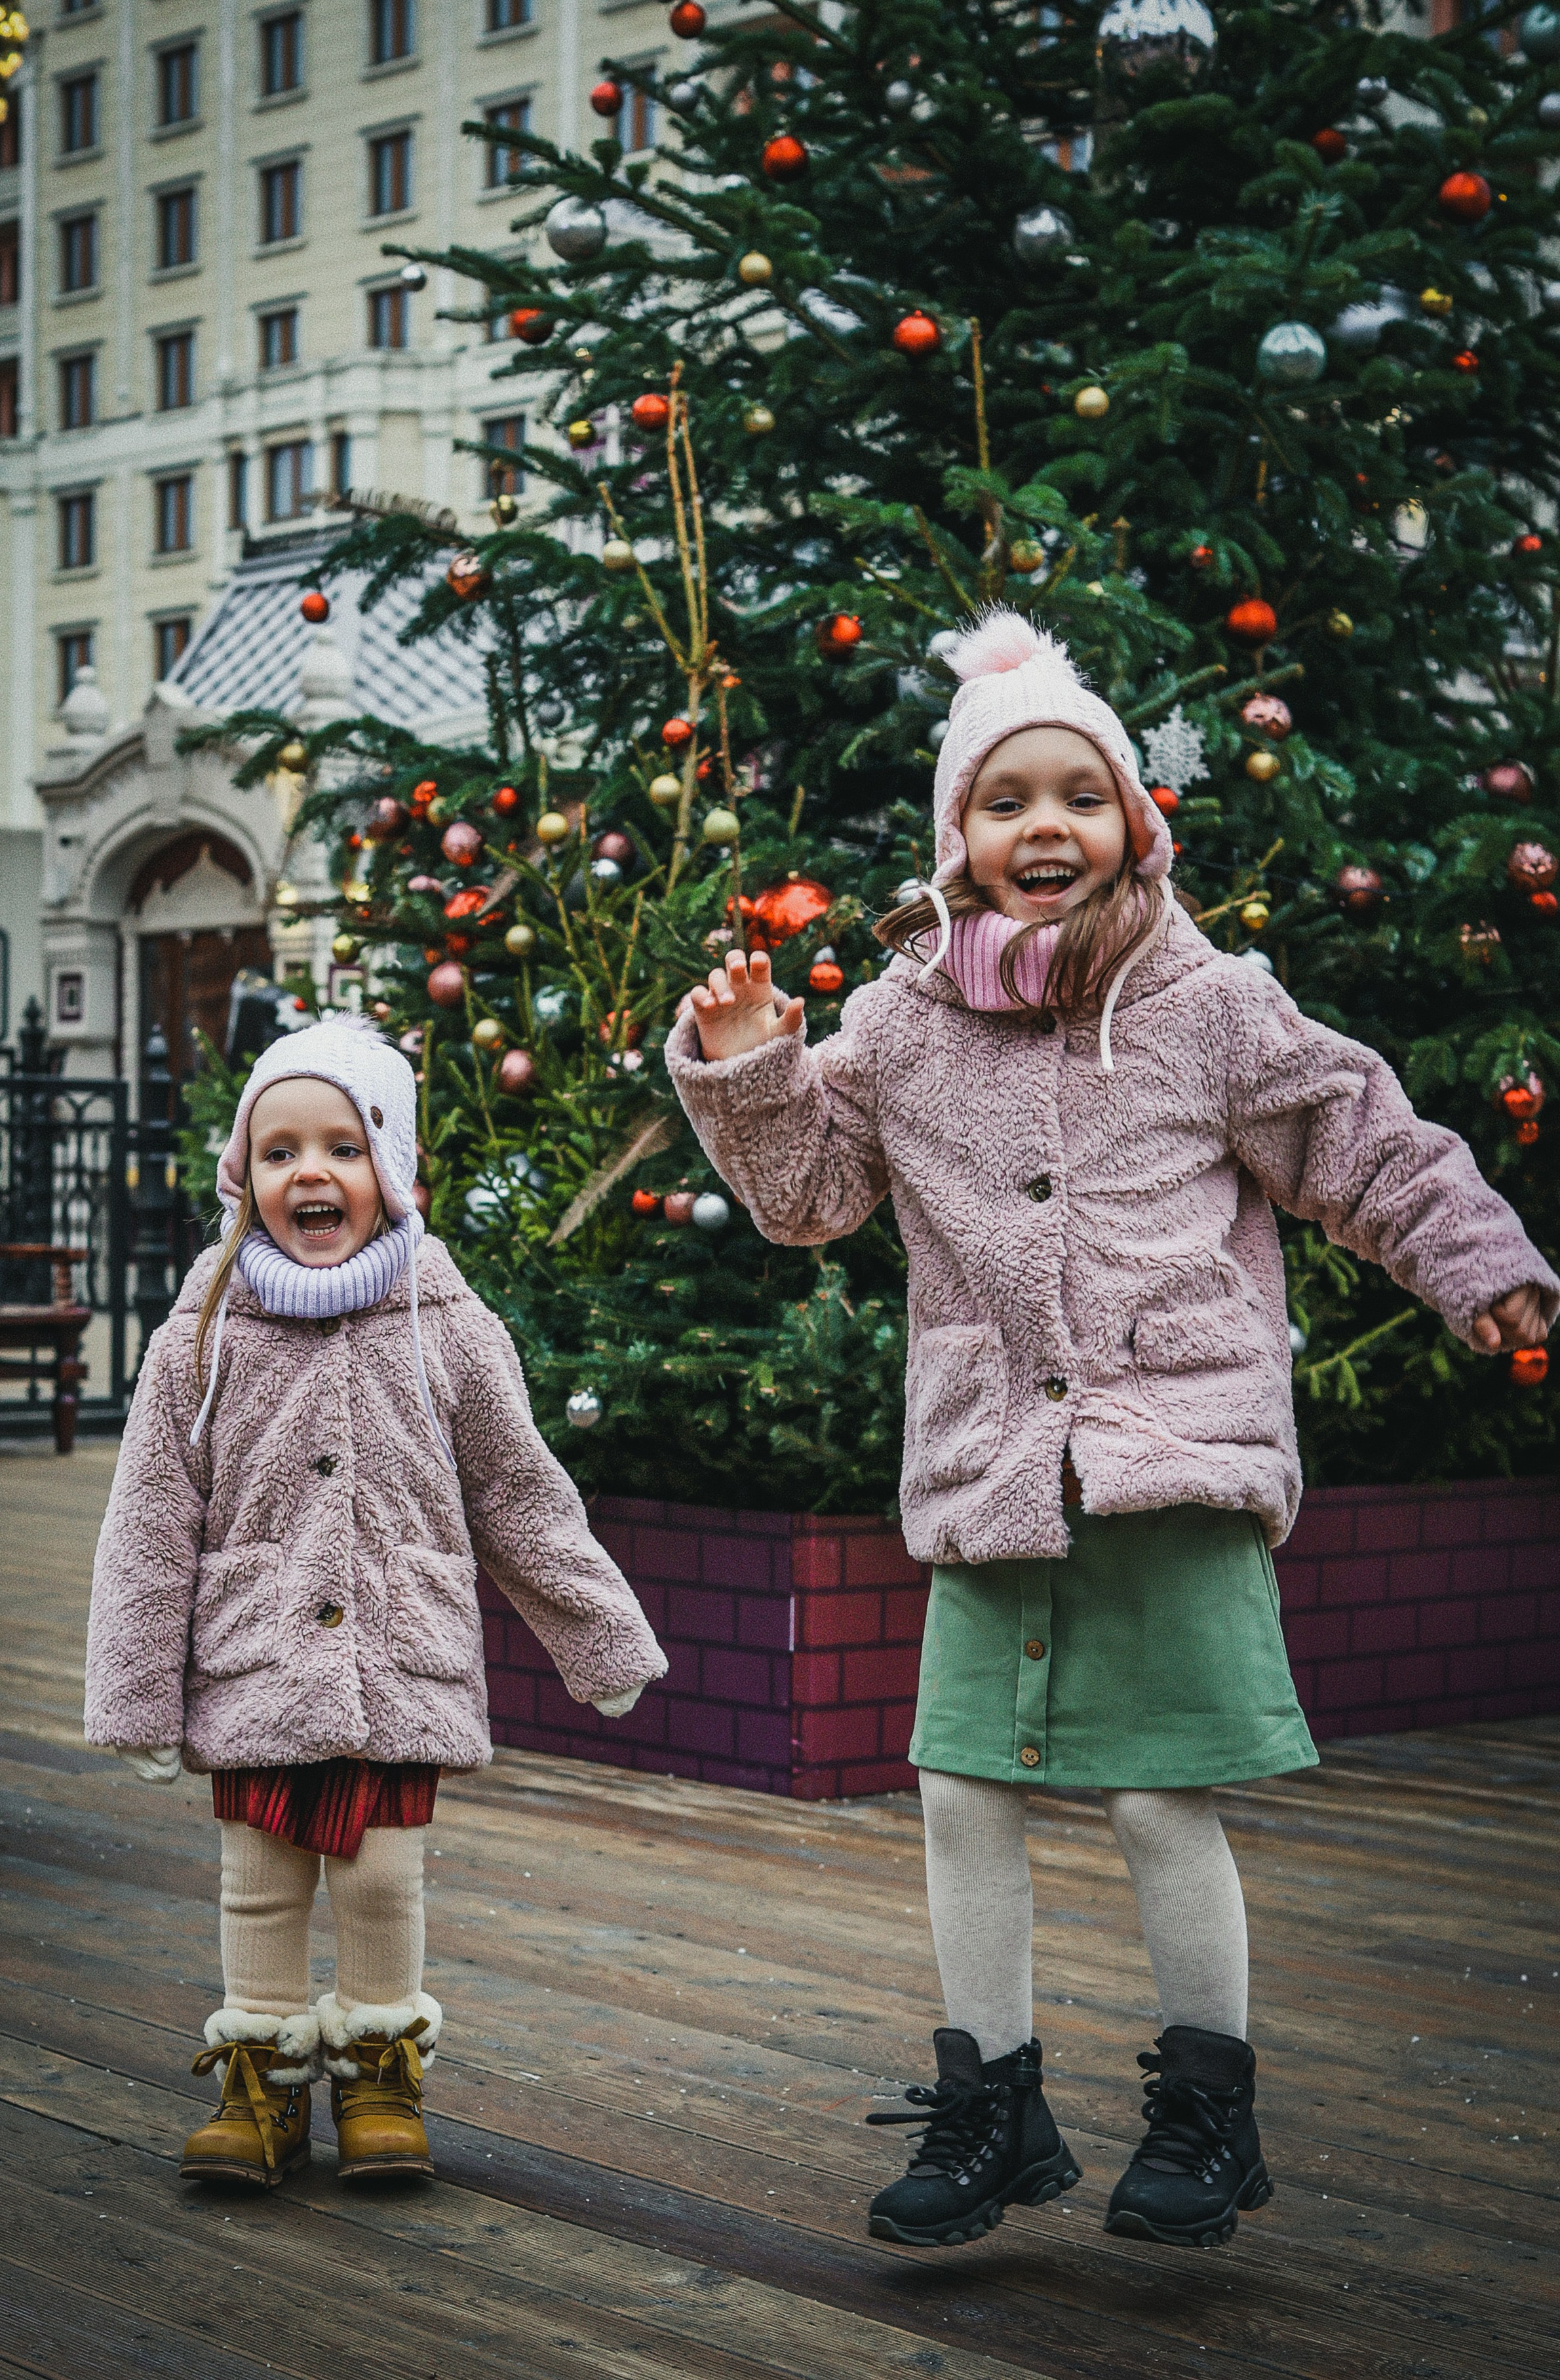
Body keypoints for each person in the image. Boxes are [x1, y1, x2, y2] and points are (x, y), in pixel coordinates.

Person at [665, 608, 1556, 2252]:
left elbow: (1360, 1142)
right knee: (955, 1791)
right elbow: (804, 1201)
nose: (1043, 828)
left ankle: (1207, 2108)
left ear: (1134, 821)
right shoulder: (901, 1021)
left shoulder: (1206, 1002)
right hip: (992, 1462)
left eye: (1079, 795)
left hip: (1168, 1450)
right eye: (1005, 803)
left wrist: (1476, 1265)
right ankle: (990, 2102)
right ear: (958, 840)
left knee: (1159, 1797)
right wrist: (747, 1074)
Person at [85, 1016, 666, 2190]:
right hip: (252, 1655)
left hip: (400, 1656)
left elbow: (519, 1494)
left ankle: (382, 2068)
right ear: (240, 1175)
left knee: (381, 1875)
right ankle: (260, 2079)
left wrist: (597, 1636)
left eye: (343, 1149)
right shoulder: (201, 1334)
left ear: (392, 1170)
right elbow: (148, 1523)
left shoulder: (447, 1327)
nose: (311, 1174)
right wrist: (136, 1694)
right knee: (259, 1876)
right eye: (280, 1150)